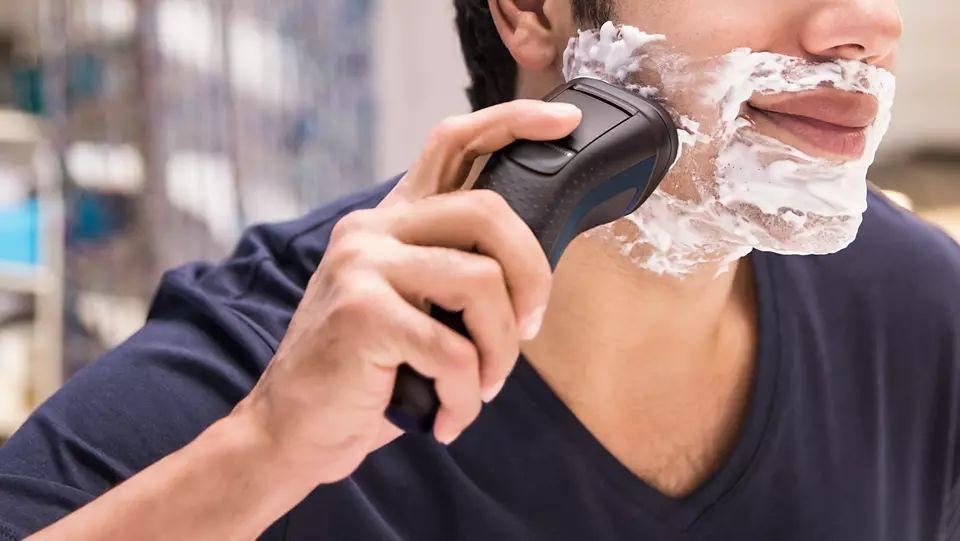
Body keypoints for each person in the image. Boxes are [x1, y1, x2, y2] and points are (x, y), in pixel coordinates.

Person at [2, 0, 958, 539]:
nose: (867, 22)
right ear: (532, 9)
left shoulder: (921, 312)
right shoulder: (261, 371)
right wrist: (265, 450)